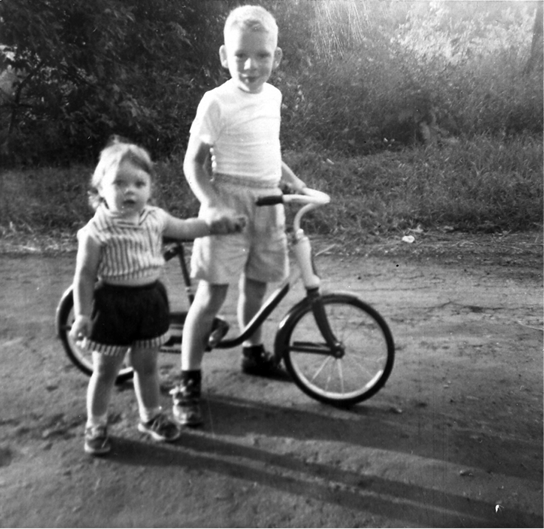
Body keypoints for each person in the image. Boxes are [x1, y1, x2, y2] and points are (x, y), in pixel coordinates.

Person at [171, 5, 307, 427]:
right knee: (212, 295)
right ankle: (188, 380)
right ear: (223, 56)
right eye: (240, 55)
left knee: (258, 283)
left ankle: (253, 352)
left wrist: (291, 180)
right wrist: (211, 203)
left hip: (267, 202)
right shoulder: (216, 101)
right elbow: (193, 164)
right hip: (227, 201)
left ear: (277, 57)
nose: (251, 66)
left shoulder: (275, 96)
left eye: (262, 56)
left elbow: (269, 149)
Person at [70, 137, 245, 455]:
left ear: (150, 188)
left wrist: (218, 225)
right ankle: (96, 424)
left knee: (146, 366)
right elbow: (84, 276)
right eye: (119, 183)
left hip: (150, 302)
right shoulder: (95, 232)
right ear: (100, 191)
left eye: (139, 183)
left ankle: (150, 416)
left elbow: (188, 228)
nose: (130, 190)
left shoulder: (155, 218)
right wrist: (82, 314)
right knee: (106, 370)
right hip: (112, 305)